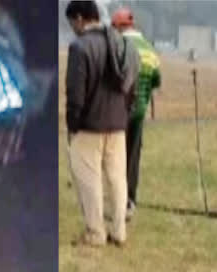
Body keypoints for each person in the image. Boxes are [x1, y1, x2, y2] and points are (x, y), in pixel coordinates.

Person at [64, 0, 136, 247]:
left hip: (89, 126)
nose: (72, 28)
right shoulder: (118, 42)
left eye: (72, 22)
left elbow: (75, 94)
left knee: (89, 180)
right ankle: (119, 232)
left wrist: (72, 125)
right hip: (117, 125)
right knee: (118, 180)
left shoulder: (79, 48)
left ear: (81, 18)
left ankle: (95, 233)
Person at [111, 8, 160, 220]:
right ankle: (130, 200)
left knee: (115, 157)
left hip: (119, 110)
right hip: (139, 111)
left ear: (119, 27)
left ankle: (118, 203)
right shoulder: (150, 49)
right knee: (132, 155)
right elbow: (157, 80)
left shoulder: (119, 46)